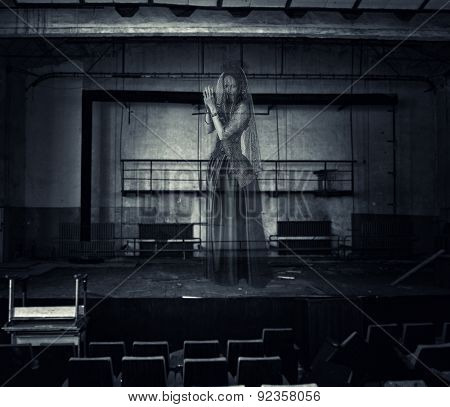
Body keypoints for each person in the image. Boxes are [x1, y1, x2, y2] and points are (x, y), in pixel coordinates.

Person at [203, 65, 269, 287]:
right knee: (221, 221)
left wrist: (213, 108)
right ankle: (223, 272)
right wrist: (208, 108)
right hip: (219, 168)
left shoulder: (243, 107)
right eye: (226, 85)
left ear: (241, 86)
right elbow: (208, 129)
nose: (228, 89)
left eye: (232, 85)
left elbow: (223, 136)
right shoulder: (225, 105)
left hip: (236, 170)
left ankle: (238, 272)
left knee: (235, 221)